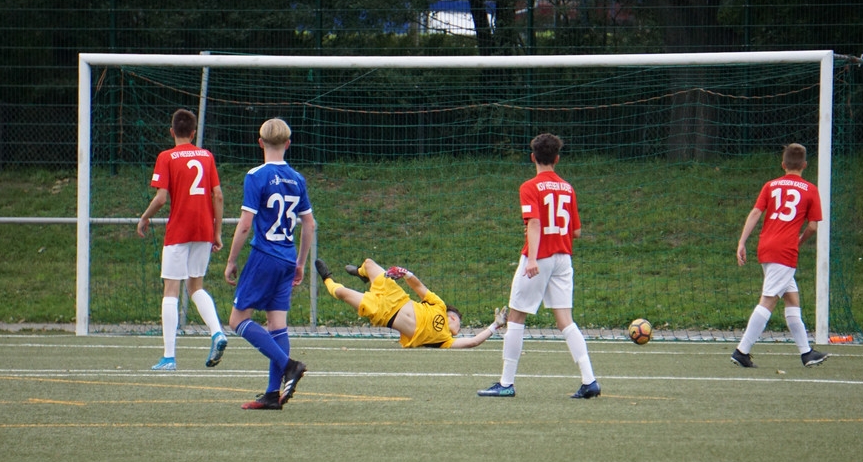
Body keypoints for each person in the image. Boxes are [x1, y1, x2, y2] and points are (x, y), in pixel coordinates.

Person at [477, 132, 600, 399]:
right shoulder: (568, 188)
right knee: (566, 321)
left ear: (533, 157)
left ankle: (506, 383)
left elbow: (534, 222)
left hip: (540, 257)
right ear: (557, 159)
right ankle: (589, 380)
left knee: (516, 317)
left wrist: (532, 258)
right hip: (563, 258)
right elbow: (576, 232)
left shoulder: (529, 187)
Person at [225, 118, 315, 410]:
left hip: (264, 256)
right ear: (288, 144)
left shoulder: (256, 175)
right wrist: (300, 263)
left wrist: (231, 260)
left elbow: (245, 224)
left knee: (237, 320)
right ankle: (272, 394)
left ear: (260, 142)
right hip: (287, 258)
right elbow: (309, 224)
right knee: (277, 325)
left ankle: (289, 365)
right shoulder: (297, 179)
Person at [138, 108, 228, 371]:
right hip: (204, 229)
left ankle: (169, 357)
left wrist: (144, 217)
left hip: (179, 229)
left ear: (171, 132)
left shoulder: (166, 157)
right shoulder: (207, 156)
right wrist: (217, 232)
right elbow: (218, 195)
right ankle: (217, 332)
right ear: (193, 132)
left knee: (171, 289)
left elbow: (161, 198)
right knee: (196, 286)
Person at [731, 143, 828, 368]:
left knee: (792, 299)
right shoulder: (810, 189)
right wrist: (799, 241)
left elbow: (756, 212)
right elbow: (813, 226)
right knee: (769, 300)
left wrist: (742, 242)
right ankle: (741, 351)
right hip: (785, 251)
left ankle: (806, 353)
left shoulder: (770, 185)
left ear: (783, 164)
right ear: (805, 165)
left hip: (766, 247)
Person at [314, 258, 508, 348]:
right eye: (459, 321)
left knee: (341, 292)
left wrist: (496, 325)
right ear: (452, 317)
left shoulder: (444, 340)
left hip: (382, 313)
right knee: (369, 263)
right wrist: (405, 273)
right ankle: (362, 273)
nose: (459, 327)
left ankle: (327, 278)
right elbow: (419, 287)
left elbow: (473, 342)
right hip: (395, 295)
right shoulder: (439, 306)